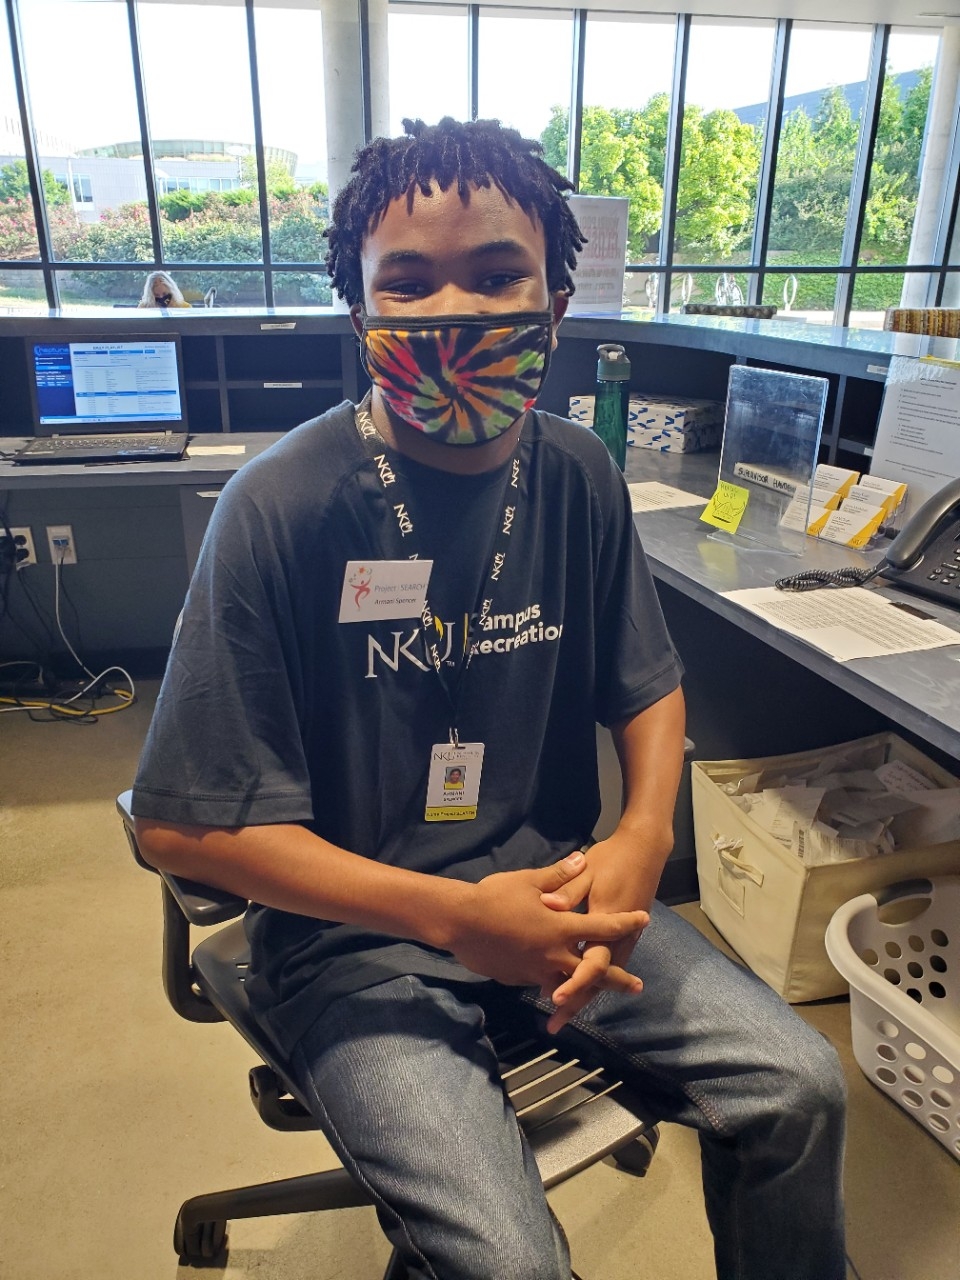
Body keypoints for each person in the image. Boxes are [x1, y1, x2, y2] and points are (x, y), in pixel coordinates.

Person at [131, 117, 846, 1280]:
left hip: (558, 891)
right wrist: (459, 917)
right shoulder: (279, 506)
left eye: (498, 273)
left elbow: (649, 685)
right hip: (353, 942)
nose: (453, 310)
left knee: (802, 1089)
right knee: (506, 1261)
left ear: (556, 305)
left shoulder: (578, 472)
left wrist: (642, 835)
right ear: (359, 314)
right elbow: (179, 827)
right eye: (408, 283)